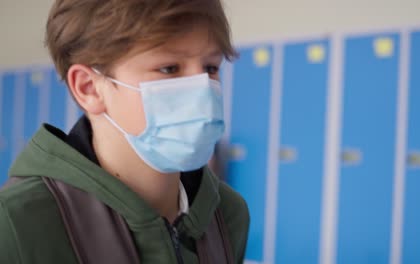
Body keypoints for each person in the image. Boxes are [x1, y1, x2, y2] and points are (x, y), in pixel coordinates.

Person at [0, 0, 250, 263]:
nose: (201, 89)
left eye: (210, 67)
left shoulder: (227, 215)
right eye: (169, 68)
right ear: (89, 88)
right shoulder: (17, 224)